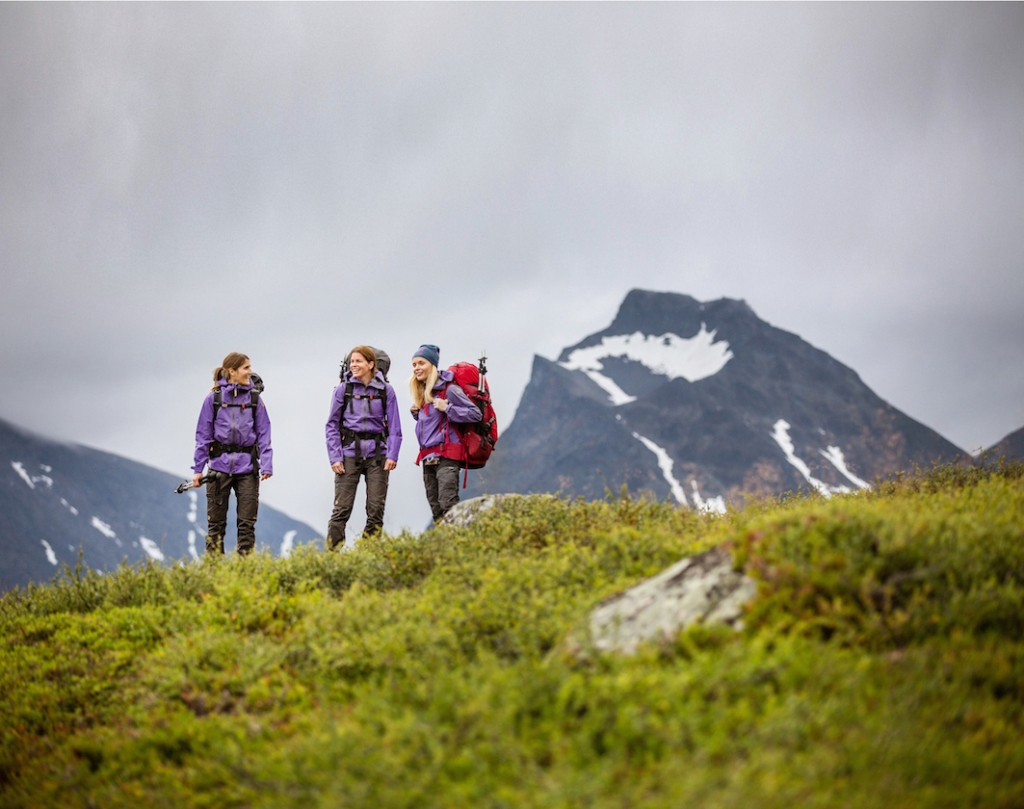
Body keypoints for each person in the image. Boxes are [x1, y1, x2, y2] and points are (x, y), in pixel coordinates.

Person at [193, 352, 273, 556]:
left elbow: (264, 433)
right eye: (246, 367)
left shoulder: (256, 399)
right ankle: (214, 572)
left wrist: (267, 464)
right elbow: (203, 435)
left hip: (248, 469)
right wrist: (197, 470)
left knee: (247, 525)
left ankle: (245, 572)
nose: (250, 371)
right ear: (232, 371)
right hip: (218, 469)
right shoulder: (213, 399)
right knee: (215, 526)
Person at [325, 345, 402, 548]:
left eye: (358, 361)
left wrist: (392, 455)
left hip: (379, 455)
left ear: (371, 364)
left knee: (376, 509)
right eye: (352, 361)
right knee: (341, 509)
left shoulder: (386, 391)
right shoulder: (343, 390)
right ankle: (332, 557)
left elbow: (395, 427)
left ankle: (368, 553)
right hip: (348, 454)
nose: (354, 365)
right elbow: (331, 424)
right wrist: (335, 457)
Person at [410, 344, 482, 523]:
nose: (417, 368)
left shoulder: (449, 390)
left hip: (447, 457)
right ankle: (447, 548)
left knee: (448, 505)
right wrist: (416, 413)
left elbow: (475, 414)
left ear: (432, 365)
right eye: (414, 365)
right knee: (436, 512)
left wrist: (448, 407)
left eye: (421, 363)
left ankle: (460, 544)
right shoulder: (423, 394)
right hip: (428, 459)